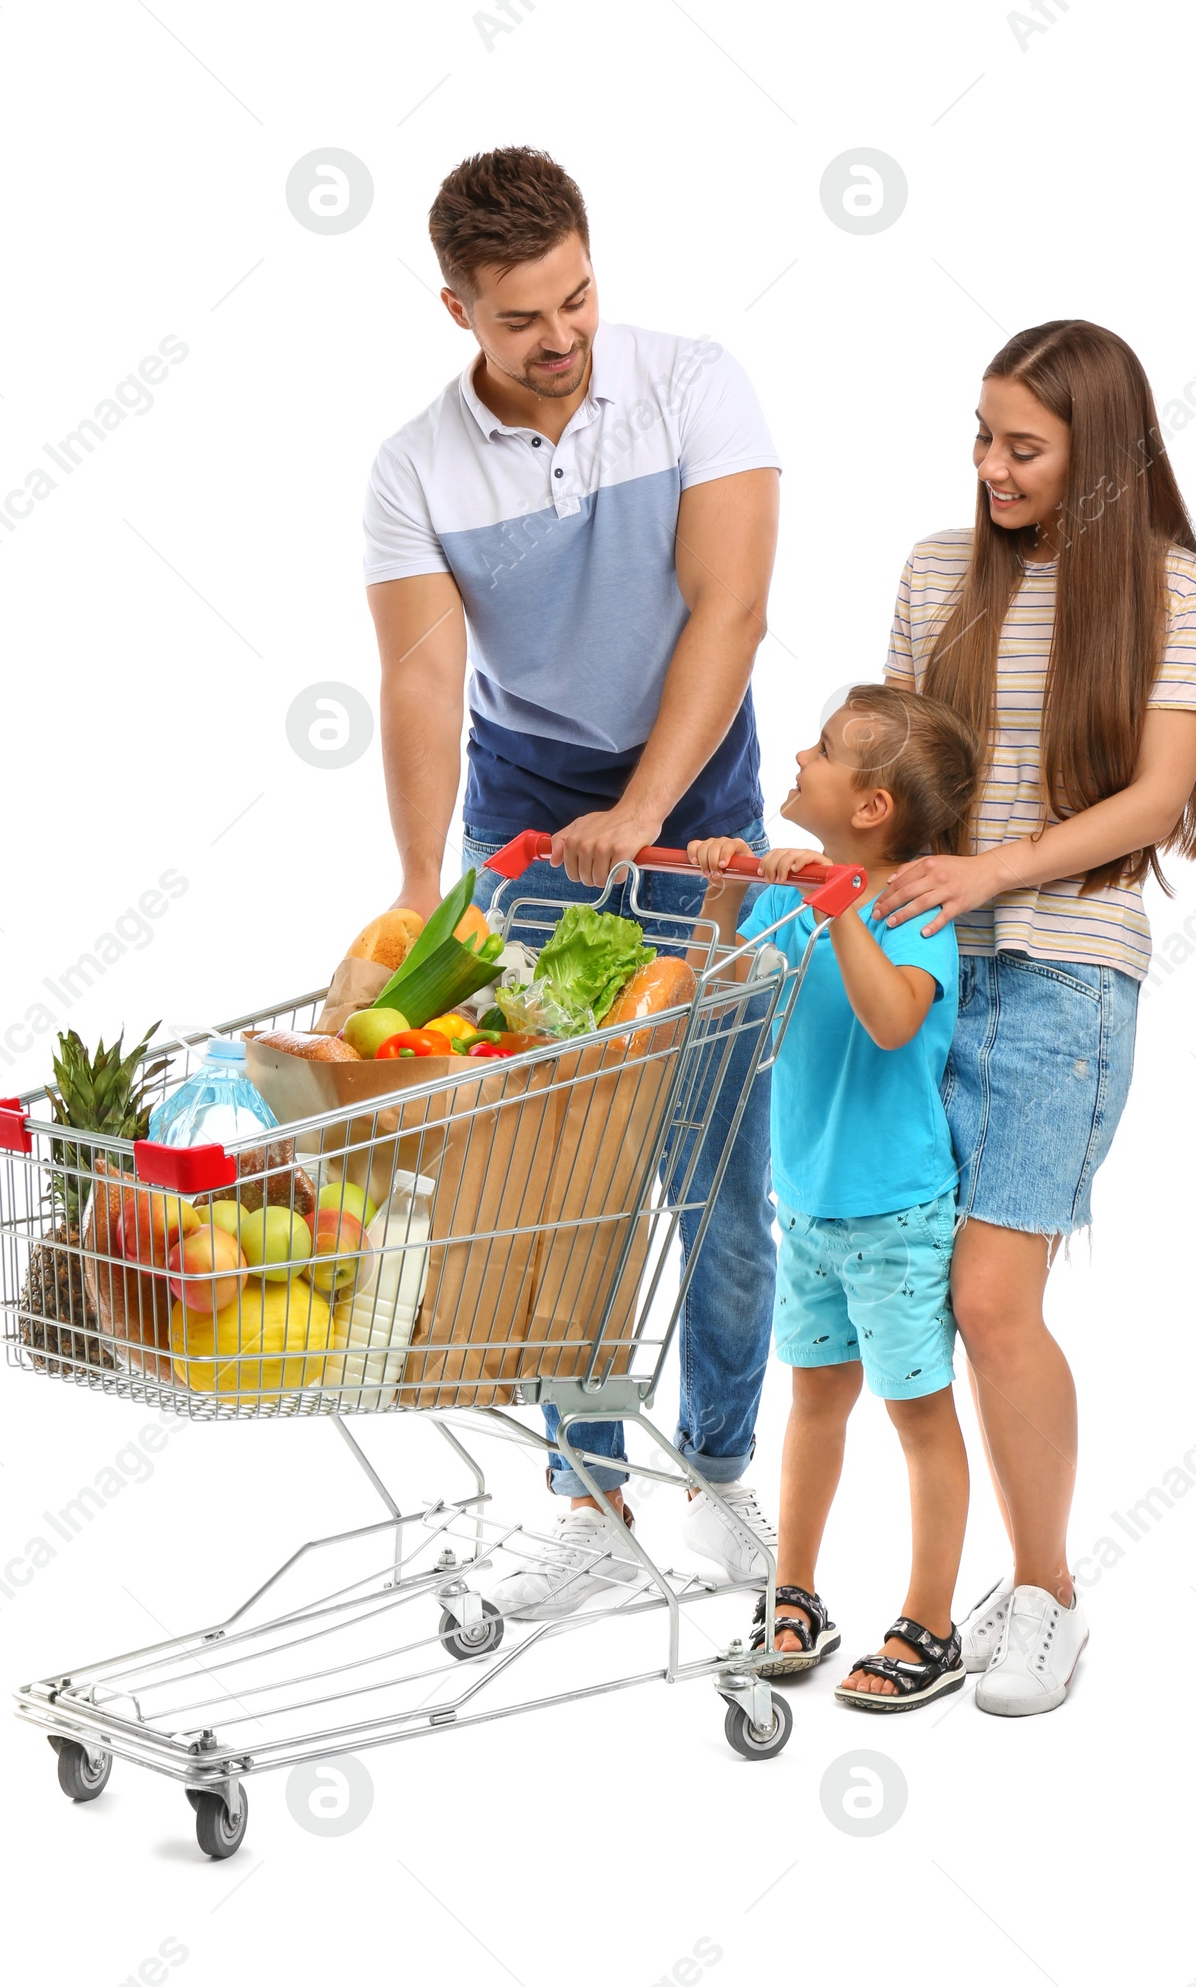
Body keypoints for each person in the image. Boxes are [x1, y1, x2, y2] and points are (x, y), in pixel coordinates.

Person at [362, 147, 783, 1612]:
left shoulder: (693, 385)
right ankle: (590, 1497)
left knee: (718, 1175)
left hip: (698, 798)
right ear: (459, 311)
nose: (562, 337)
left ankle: (721, 1470)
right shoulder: (414, 468)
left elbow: (731, 612)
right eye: (525, 316)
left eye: (579, 296)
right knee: (561, 1168)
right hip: (533, 818)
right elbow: (420, 679)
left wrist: (649, 805)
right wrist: (421, 884)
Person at [870, 319, 1196, 1714]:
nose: (990, 466)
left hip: (1068, 969)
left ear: (1103, 457)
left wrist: (999, 868)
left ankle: (1044, 1593)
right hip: (922, 967)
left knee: (988, 1296)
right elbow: (888, 770)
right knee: (908, 1293)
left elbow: (1151, 801)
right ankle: (935, 1591)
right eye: (981, 436)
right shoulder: (932, 576)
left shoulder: (1177, 592)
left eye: (1024, 445)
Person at [689, 684, 983, 1709]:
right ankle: (795, 1594)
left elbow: (894, 1019)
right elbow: (708, 990)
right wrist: (727, 897)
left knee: (916, 1414)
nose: (799, 762)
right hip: (805, 1206)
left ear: (870, 809)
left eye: (820, 752)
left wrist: (842, 905)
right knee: (813, 1402)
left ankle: (930, 1623)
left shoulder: (911, 912)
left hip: (896, 1218)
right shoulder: (788, 897)